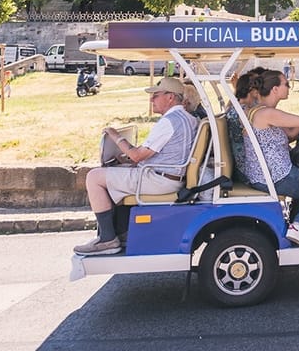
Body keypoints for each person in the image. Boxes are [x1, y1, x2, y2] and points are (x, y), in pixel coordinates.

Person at [74, 77, 197, 255]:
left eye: (156, 95)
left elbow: (138, 155)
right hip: (169, 175)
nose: (151, 99)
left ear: (170, 97)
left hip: (159, 180)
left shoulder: (169, 122)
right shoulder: (188, 118)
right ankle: (122, 232)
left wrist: (116, 136)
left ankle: (108, 239)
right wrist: (127, 161)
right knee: (117, 172)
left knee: (94, 177)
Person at [241, 69, 299, 247]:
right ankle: (298, 225)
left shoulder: (260, 111)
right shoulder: (266, 114)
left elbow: (291, 133)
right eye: (286, 84)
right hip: (276, 175)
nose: (289, 87)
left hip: (265, 173)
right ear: (275, 89)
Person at [226, 67, 266, 182]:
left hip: (242, 164)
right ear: (252, 90)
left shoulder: (234, 109)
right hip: (249, 169)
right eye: (258, 88)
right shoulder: (245, 113)